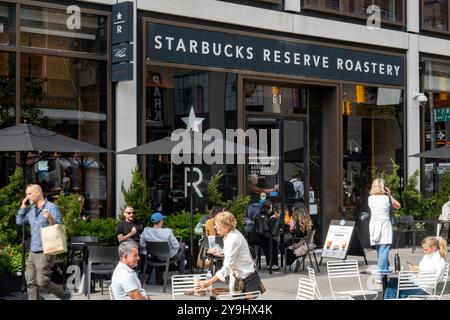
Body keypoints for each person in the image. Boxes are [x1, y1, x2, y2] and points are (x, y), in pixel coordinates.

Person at [16, 184, 70, 300]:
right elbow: (19, 221)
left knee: (41, 282)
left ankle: (62, 294)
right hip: (33, 251)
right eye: (26, 194)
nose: (27, 197)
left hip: (46, 251)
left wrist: (50, 218)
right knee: (30, 281)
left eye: (29, 194)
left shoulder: (51, 207)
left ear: (38, 193)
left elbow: (59, 227)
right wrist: (23, 207)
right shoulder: (30, 211)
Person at [199, 211, 265, 295]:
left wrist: (209, 282)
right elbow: (234, 255)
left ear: (226, 226)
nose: (215, 227)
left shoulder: (233, 239)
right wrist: (220, 254)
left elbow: (227, 265)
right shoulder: (230, 235)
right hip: (241, 277)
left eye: (217, 225)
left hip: (248, 279)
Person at [368, 178, 401, 281]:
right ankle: (381, 276)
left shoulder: (370, 198)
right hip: (384, 226)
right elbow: (398, 206)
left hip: (374, 226)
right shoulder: (387, 198)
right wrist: (389, 194)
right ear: (383, 187)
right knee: (384, 251)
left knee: (380, 251)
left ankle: (384, 271)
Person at [139, 212, 185, 282]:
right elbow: (176, 245)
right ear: (160, 221)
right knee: (182, 247)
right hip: (166, 256)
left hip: (152, 256)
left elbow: (142, 244)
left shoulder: (146, 230)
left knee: (181, 249)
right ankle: (181, 276)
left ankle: (180, 265)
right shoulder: (167, 231)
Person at [255, 199, 280, 270]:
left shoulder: (270, 214)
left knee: (274, 242)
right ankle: (270, 263)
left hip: (268, 236)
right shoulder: (260, 216)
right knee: (268, 243)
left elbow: (270, 227)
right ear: (266, 208)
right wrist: (270, 219)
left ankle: (274, 264)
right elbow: (263, 229)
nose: (271, 209)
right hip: (261, 236)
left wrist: (275, 219)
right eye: (270, 208)